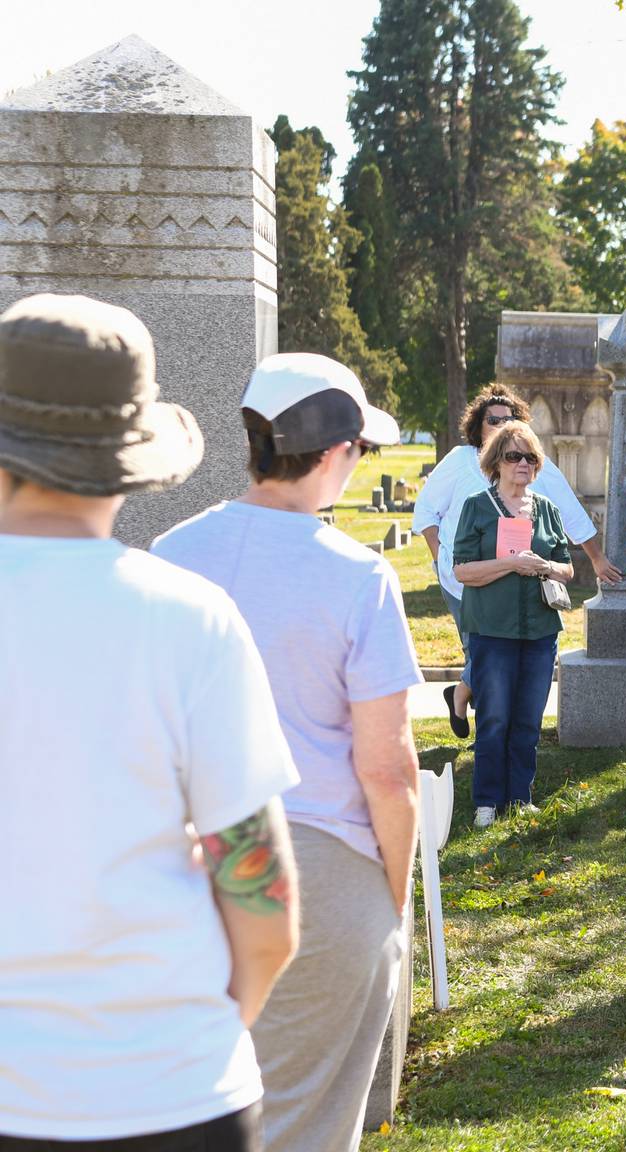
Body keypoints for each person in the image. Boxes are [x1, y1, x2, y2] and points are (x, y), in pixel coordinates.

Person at [0, 295, 300, 1149]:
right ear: (129, 459)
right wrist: (190, 1045)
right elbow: (266, 906)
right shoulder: (192, 619)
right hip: (177, 1091)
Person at [154, 352, 421, 1152]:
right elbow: (387, 766)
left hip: (184, 863)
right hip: (320, 868)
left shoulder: (169, 553)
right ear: (339, 452)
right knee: (304, 1119)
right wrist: (393, 894)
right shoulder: (359, 577)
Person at [413, 384, 621, 738]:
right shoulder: (461, 460)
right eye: (493, 419)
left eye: (509, 419)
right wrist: (441, 559)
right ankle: (489, 736)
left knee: (488, 656)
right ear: (479, 425)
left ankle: (463, 698)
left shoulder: (529, 462)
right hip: (464, 578)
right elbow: (426, 511)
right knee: (481, 652)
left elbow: (568, 508)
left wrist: (597, 559)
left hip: (514, 583)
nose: (501, 425)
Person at [452, 421, 573, 828]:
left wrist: (546, 566)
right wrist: (510, 564)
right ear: (497, 462)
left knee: (528, 719)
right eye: (513, 456)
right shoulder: (477, 506)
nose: (522, 464)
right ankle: (487, 800)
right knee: (495, 718)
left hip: (540, 631)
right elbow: (463, 571)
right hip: (492, 630)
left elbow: (568, 570)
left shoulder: (547, 510)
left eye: (530, 457)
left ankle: (520, 796)